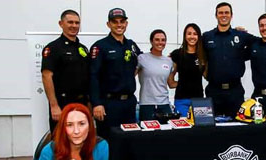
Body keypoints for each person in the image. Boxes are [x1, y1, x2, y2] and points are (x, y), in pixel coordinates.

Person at [90, 8, 142, 138]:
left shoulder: (131, 45)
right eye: (115, 22)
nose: (119, 25)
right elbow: (93, 76)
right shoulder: (100, 46)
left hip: (129, 103)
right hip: (109, 104)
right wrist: (97, 103)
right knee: (109, 142)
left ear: (126, 24)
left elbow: (142, 63)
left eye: (122, 21)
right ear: (108, 24)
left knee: (129, 141)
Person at [41, 10, 90, 132]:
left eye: (77, 23)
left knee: (82, 138)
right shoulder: (53, 48)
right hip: (63, 103)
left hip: (82, 102)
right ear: (61, 23)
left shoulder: (82, 49)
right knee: (61, 141)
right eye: (70, 22)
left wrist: (89, 102)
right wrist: (54, 105)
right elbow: (46, 76)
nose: (74, 26)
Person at [168, 23, 207, 117]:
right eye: (189, 33)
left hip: (199, 101)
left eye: (195, 34)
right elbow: (170, 82)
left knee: (201, 130)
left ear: (199, 36)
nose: (192, 36)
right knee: (183, 130)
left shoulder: (203, 55)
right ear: (185, 36)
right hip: (182, 100)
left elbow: (207, 76)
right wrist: (183, 83)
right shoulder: (177, 54)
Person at [137, 29, 174, 121]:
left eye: (163, 40)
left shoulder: (169, 61)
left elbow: (171, 83)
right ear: (151, 41)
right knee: (148, 134)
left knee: (166, 133)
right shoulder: (142, 58)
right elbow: (130, 77)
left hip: (164, 104)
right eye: (157, 40)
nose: (160, 42)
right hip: (147, 104)